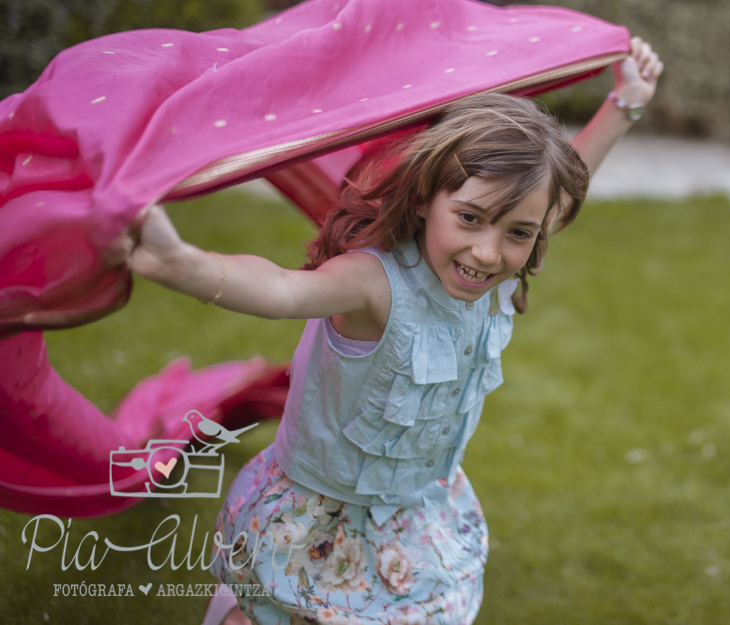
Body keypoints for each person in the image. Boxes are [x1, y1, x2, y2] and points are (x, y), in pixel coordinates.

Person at [129, 36, 661, 625]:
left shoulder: (504, 260)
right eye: (469, 218)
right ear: (426, 197)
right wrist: (185, 265)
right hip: (315, 517)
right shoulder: (374, 286)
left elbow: (557, 192)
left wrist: (626, 103)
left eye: (518, 232)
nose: (487, 252)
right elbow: (281, 289)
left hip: (413, 514)